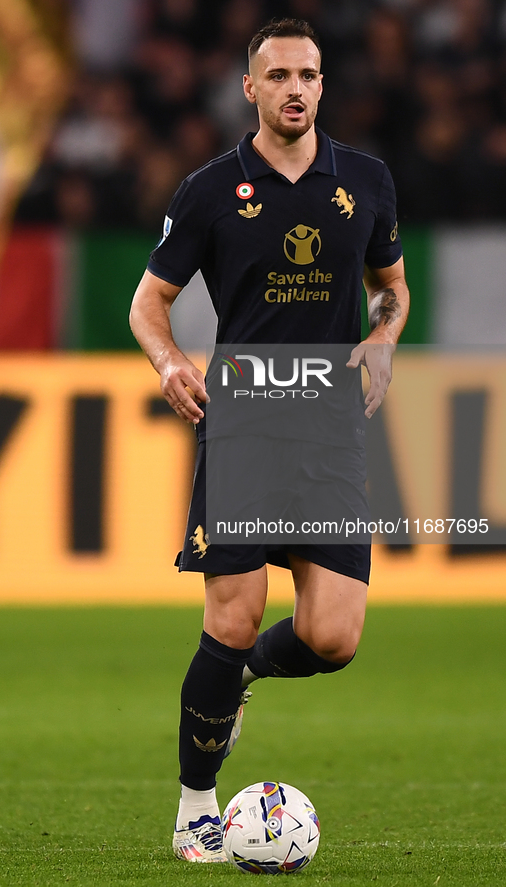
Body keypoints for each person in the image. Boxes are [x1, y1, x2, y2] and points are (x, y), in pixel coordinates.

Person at [129, 17, 409, 863]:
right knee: (235, 614)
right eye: (278, 75)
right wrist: (171, 363)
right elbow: (148, 305)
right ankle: (194, 808)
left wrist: (385, 336)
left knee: (333, 637)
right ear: (248, 88)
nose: (295, 88)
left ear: (324, 85)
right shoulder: (211, 190)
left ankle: (243, 680)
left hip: (329, 427)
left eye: (309, 75)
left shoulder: (364, 180)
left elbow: (390, 290)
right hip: (245, 417)